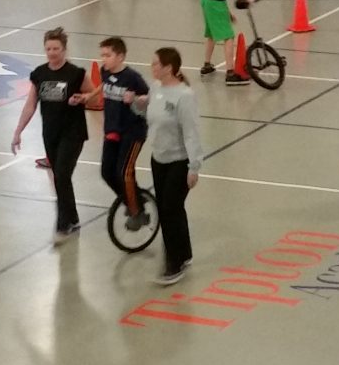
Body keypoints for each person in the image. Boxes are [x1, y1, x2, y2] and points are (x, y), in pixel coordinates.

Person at [127, 48, 203, 285]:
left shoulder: (184, 96)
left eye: (156, 64)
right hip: (158, 159)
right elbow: (148, 114)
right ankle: (185, 252)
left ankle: (174, 262)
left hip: (178, 162)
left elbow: (191, 133)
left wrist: (194, 167)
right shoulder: (156, 88)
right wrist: (136, 104)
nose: (152, 67)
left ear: (169, 67)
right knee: (173, 208)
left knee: (170, 209)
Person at [11, 28, 94, 244]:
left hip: (73, 133)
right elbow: (31, 104)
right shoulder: (39, 74)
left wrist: (84, 98)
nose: (52, 53)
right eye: (48, 48)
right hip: (50, 134)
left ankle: (62, 224)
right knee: (60, 177)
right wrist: (18, 131)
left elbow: (95, 97)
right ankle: (73, 217)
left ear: (64, 49)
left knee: (62, 175)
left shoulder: (76, 73)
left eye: (56, 49)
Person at [75, 37, 150, 229]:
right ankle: (132, 199)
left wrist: (135, 99)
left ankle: (138, 213)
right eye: (102, 55)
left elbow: (147, 96)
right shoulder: (105, 72)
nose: (103, 59)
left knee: (124, 171)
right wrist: (89, 96)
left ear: (121, 56)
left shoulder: (132, 77)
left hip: (132, 132)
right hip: (112, 130)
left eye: (108, 55)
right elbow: (104, 85)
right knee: (107, 172)